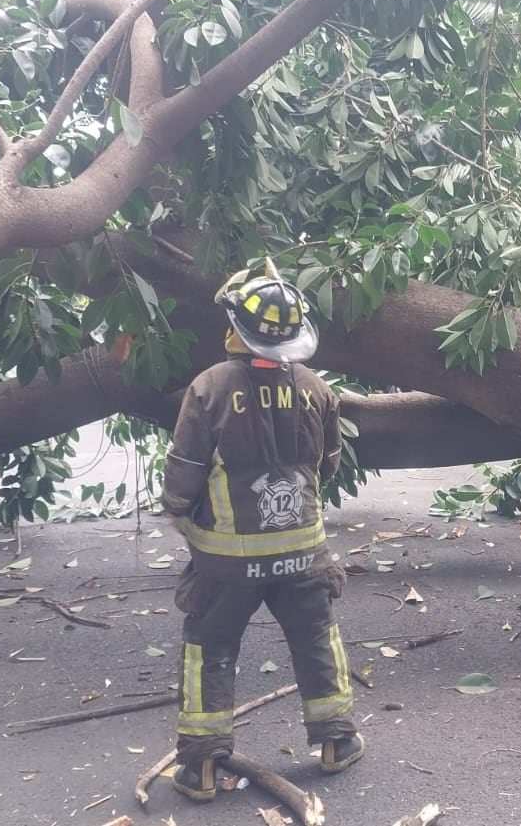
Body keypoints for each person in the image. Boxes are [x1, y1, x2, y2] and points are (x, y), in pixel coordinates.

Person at [158, 264, 362, 802]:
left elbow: (184, 469)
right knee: (317, 638)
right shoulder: (318, 389)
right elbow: (331, 464)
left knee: (210, 647)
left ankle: (200, 767)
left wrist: (176, 511)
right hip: (302, 553)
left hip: (226, 563)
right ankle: (338, 741)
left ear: (234, 328)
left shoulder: (209, 387)